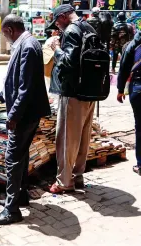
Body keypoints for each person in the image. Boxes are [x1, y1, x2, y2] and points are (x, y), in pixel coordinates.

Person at [0, 15, 50, 225]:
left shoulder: (28, 47)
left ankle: (11, 210)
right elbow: (16, 81)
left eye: (4, 34)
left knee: (12, 158)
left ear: (11, 30)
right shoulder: (27, 43)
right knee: (20, 155)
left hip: (25, 114)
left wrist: (13, 116)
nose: (6, 38)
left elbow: (25, 87)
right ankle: (19, 196)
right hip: (28, 113)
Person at [47, 4, 97, 193]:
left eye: (57, 21)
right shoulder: (89, 27)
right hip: (90, 92)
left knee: (67, 139)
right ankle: (78, 176)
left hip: (73, 93)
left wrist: (56, 48)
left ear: (64, 16)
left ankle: (64, 182)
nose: (57, 26)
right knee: (83, 137)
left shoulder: (71, 31)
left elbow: (68, 62)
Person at [117, 30, 141, 175]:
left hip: (138, 89)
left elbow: (124, 66)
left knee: (140, 126)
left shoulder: (133, 45)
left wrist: (120, 89)